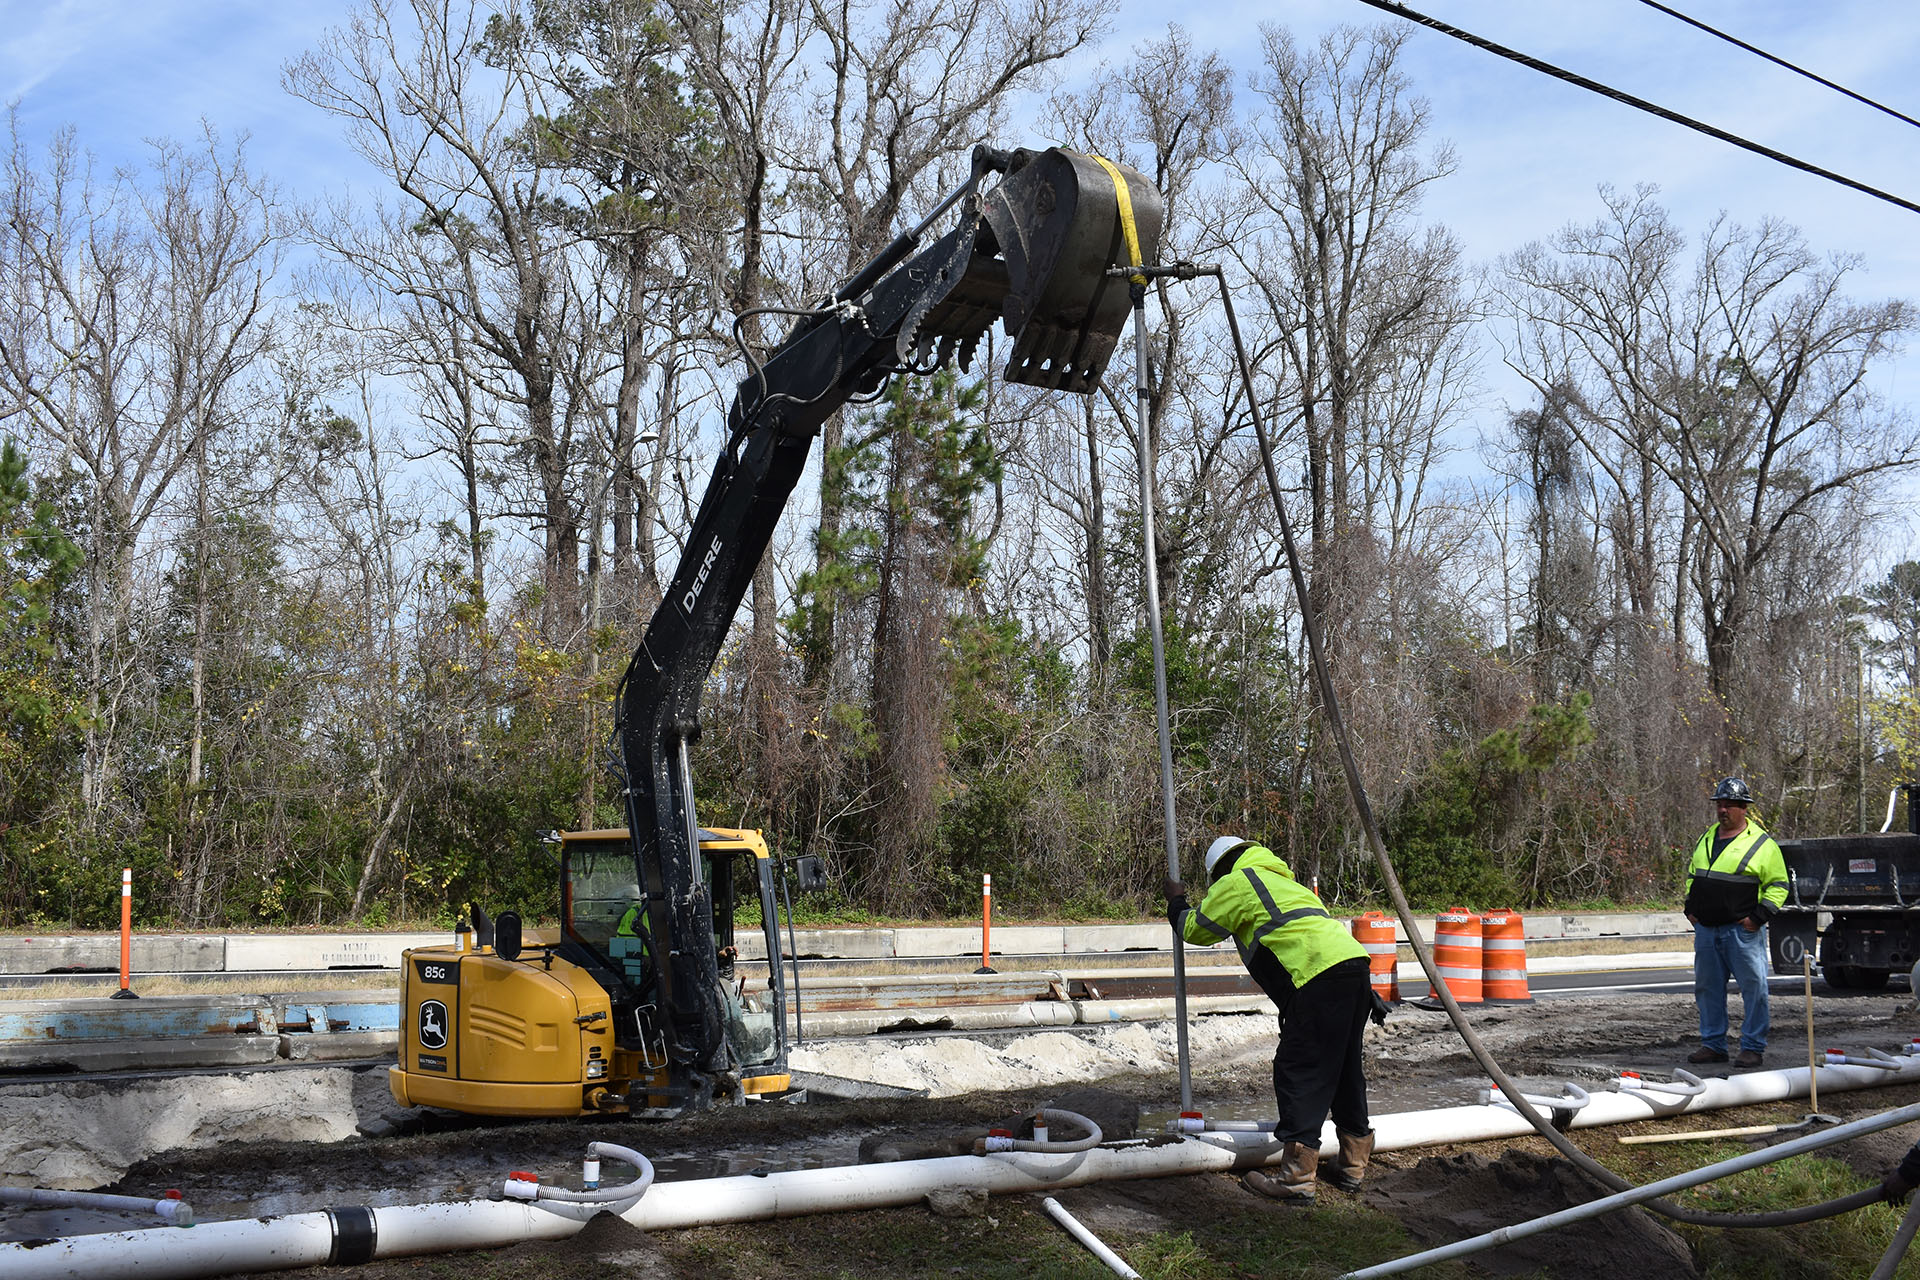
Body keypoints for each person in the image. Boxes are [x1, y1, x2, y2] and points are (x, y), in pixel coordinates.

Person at [1166, 835, 1379, 1204]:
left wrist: (1176, 901)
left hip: (1316, 979)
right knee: (1344, 1069)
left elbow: (1195, 929)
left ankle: (1296, 1179)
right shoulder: (1286, 884)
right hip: (1354, 972)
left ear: (1219, 871)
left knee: (1299, 1071)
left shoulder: (1238, 881)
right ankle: (1353, 1165)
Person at [1683, 777, 1788, 1069]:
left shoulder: (1762, 844)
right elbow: (1693, 875)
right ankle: (1713, 1045)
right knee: (1707, 990)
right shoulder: (1707, 838)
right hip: (1707, 930)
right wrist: (1690, 908)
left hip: (1742, 933)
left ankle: (1752, 1047)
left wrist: (1757, 918)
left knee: (1754, 989)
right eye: (1720, 804)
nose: (1723, 810)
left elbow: (1779, 885)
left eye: (1729, 805)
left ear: (1744, 808)